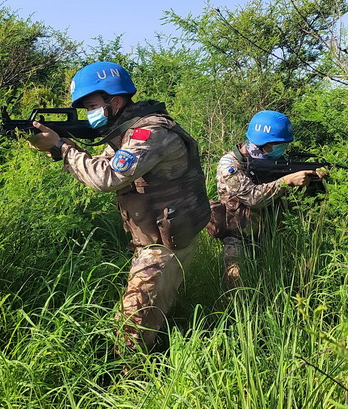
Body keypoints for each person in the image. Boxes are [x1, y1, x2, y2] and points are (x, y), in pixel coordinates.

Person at [27, 61, 211, 353]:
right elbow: (102, 165)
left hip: (166, 242)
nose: (89, 114)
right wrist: (56, 146)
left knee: (133, 326)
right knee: (152, 310)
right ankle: (157, 352)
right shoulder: (127, 130)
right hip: (164, 232)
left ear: (115, 100)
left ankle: (132, 379)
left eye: (92, 106)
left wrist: (63, 148)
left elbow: (106, 177)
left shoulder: (149, 132)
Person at [214, 110, 327, 288]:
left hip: (270, 233)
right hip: (237, 235)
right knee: (235, 279)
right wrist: (286, 181)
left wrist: (313, 181)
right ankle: (231, 313)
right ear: (261, 143)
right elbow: (252, 198)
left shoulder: (277, 162)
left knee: (272, 281)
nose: (281, 150)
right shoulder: (230, 164)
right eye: (277, 145)